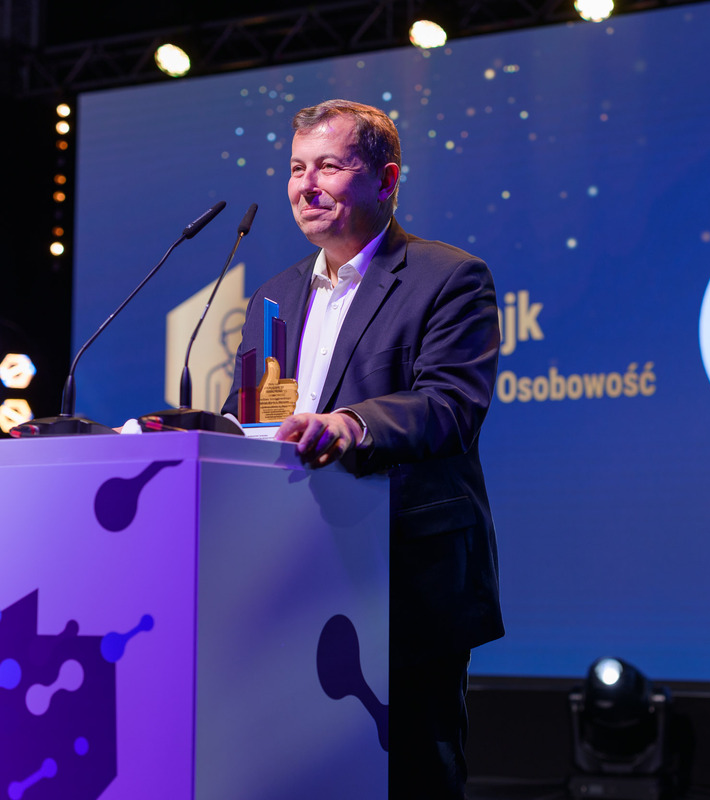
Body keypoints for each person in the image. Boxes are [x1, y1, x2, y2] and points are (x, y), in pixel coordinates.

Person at [221, 99, 503, 798]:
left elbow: (451, 406)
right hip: (294, 581)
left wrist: (349, 424)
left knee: (413, 778)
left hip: (405, 577)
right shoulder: (273, 298)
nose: (305, 186)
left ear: (386, 178)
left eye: (328, 166)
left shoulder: (448, 277)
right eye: (296, 169)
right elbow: (255, 420)